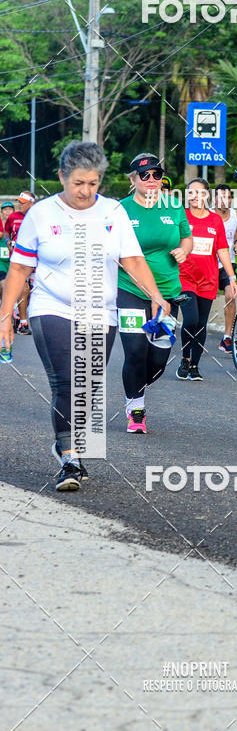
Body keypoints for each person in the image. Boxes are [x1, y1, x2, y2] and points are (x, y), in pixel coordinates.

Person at [0, 141, 169, 491]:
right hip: (52, 307)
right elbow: (19, 269)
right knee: (67, 381)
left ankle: (69, 443)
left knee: (89, 387)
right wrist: (5, 317)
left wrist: (156, 296)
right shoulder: (41, 214)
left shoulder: (113, 212)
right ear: (62, 177)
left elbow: (132, 260)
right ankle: (69, 457)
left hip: (100, 309)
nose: (85, 191)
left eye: (92, 183)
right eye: (78, 183)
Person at [118, 153, 193, 432]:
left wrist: (184, 250)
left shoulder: (174, 206)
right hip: (131, 290)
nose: (151, 180)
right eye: (144, 175)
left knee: (158, 361)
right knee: (135, 351)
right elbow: (114, 254)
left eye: (156, 174)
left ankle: (135, 385)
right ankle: (135, 408)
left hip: (168, 293)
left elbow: (186, 236)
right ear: (133, 179)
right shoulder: (121, 210)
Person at [177, 178, 237, 380]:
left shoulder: (215, 220)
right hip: (185, 278)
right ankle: (184, 359)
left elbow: (222, 250)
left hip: (208, 280)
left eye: (199, 192)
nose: (194, 197)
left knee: (202, 324)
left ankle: (195, 365)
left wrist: (231, 277)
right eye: (191, 193)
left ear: (207, 195)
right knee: (191, 319)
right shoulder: (181, 216)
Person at [213, 183, 237, 353]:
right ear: (214, 198)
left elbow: (234, 232)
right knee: (205, 300)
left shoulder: (236, 216)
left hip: (227, 264)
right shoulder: (207, 214)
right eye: (221, 197)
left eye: (228, 197)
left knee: (231, 296)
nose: (225, 200)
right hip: (209, 263)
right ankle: (198, 335)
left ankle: (227, 337)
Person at [5, 191, 35, 334]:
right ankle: (23, 323)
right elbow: (7, 232)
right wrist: (8, 243)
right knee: (23, 288)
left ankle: (18, 313)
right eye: (18, 201)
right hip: (19, 259)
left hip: (36, 261)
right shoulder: (13, 217)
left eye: (22, 202)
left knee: (30, 292)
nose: (19, 204)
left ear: (31, 203)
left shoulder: (38, 217)